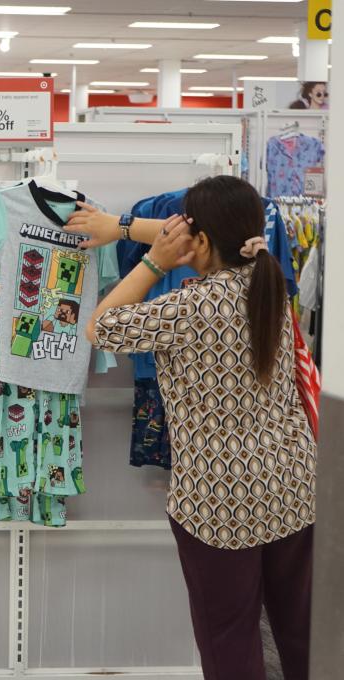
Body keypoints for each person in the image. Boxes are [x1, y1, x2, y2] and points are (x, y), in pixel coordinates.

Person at [65, 175, 316, 680]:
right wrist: (128, 228)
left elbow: (98, 327)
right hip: (293, 482)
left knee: (229, 635)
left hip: (218, 497)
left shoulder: (188, 307)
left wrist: (154, 262)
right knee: (299, 628)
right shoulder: (267, 285)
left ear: (198, 240)